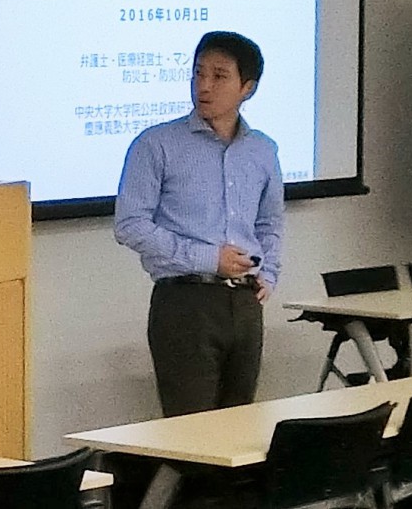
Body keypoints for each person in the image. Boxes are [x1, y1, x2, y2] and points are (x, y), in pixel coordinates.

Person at [114, 30, 285, 416]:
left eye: (219, 76)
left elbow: (270, 221)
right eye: (198, 73)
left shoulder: (263, 150)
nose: (204, 86)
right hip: (185, 302)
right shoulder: (156, 144)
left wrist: (269, 273)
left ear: (248, 88)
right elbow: (130, 224)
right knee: (190, 429)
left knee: (238, 425)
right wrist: (209, 258)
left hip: (245, 303)